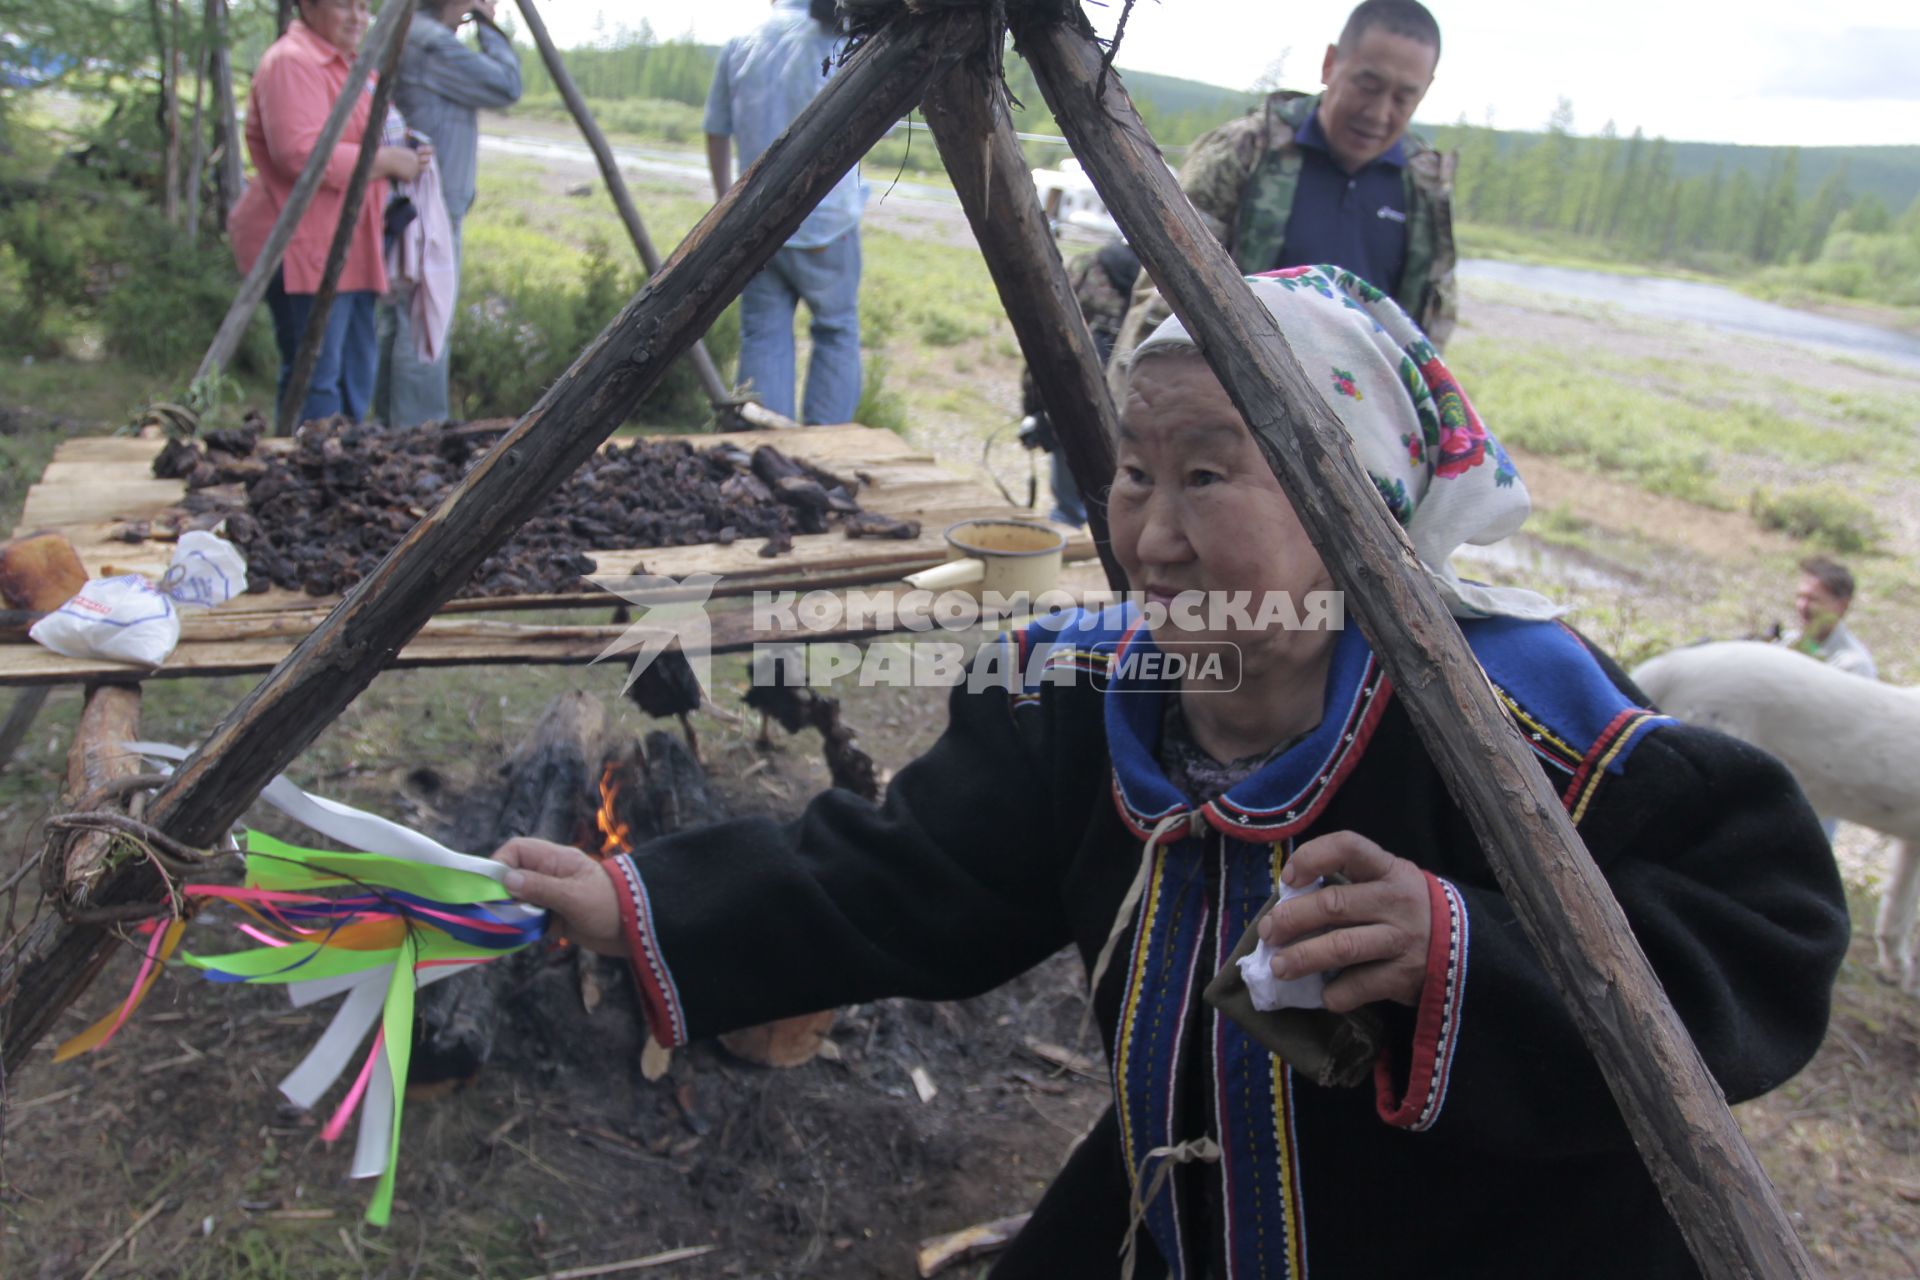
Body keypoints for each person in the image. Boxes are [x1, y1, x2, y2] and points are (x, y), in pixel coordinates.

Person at [494, 268, 1847, 1277]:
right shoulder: (1089, 693)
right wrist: (647, 904)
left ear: (1350, 505)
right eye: (1134, 472)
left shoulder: (1510, 711)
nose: (1151, 532)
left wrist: (1461, 950)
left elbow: (1766, 917)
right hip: (1200, 1212)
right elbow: (904, 870)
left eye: (1209, 474)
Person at [1111, 0, 1456, 389]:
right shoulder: (1245, 152)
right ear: (1330, 64)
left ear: (1425, 91)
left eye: (1402, 98)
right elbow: (1164, 296)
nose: (1377, 113)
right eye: (1367, 85)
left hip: (1365, 418)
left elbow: (1429, 334)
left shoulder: (1425, 193)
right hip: (1231, 403)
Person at [229, 0, 429, 426]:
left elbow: (370, 132)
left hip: (352, 244)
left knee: (354, 375)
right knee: (316, 383)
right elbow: (301, 155)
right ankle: (307, 482)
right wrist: (390, 161)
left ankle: (345, 475)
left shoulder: (352, 66)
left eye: (364, 7)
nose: (358, 18)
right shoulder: (292, 62)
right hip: (304, 245)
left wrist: (406, 150)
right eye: (344, 5)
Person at [704, 0, 866, 425]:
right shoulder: (835, 37)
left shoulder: (741, 42)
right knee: (835, 330)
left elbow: (716, 129)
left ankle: (764, 446)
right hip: (827, 222)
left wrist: (726, 206)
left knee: (764, 333)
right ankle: (825, 449)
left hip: (754, 223)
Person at [375, 0, 522, 427]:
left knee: (402, 313)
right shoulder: (430, 41)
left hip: (417, 199)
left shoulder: (414, 35)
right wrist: (488, 25)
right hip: (428, 205)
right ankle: (420, 434)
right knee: (425, 317)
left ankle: (389, 429)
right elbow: (506, 85)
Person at [1018, 237, 1140, 526]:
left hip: (1075, 391)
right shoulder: (1159, 281)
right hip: (1133, 399)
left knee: (1067, 501)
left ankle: (1067, 535)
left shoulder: (1089, 266)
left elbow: (1046, 331)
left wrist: (1033, 405)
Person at [1784, 554, 1876, 679]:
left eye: (1812, 599)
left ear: (1842, 606)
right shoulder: (1787, 642)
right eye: (1800, 597)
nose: (1802, 606)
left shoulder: (1853, 666)